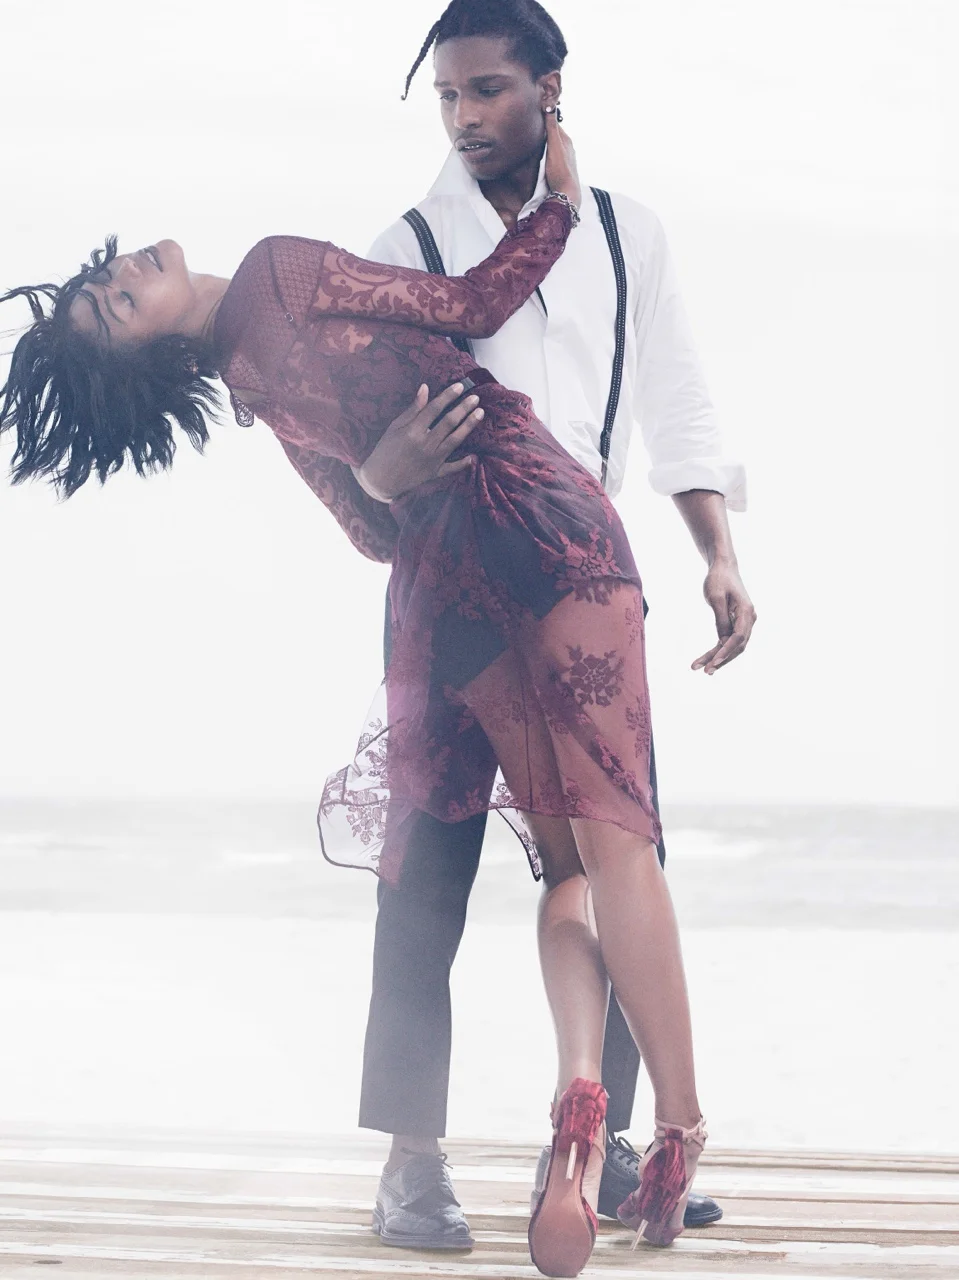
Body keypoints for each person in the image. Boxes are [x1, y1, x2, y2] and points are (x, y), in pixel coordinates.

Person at [2, 111, 712, 1278]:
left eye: (110, 274)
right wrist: (558, 208)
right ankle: (648, 1134)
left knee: (475, 876)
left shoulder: (248, 381)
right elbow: (474, 303)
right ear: (143, 355)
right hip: (541, 527)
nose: (128, 271)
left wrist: (380, 478)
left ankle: (527, 1137)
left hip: (444, 590)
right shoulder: (275, 270)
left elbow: (369, 529)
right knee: (608, 852)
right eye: (118, 302)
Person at [351, 0, 755, 1253]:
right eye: (447, 98)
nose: (465, 117)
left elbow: (676, 395)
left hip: (582, 580)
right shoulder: (408, 245)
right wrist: (372, 472)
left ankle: (607, 1142)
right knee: (429, 862)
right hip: (450, 587)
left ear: (549, 85)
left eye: (486, 90)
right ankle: (410, 1163)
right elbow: (345, 431)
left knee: (620, 854)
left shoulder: (628, 233)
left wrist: (716, 550)